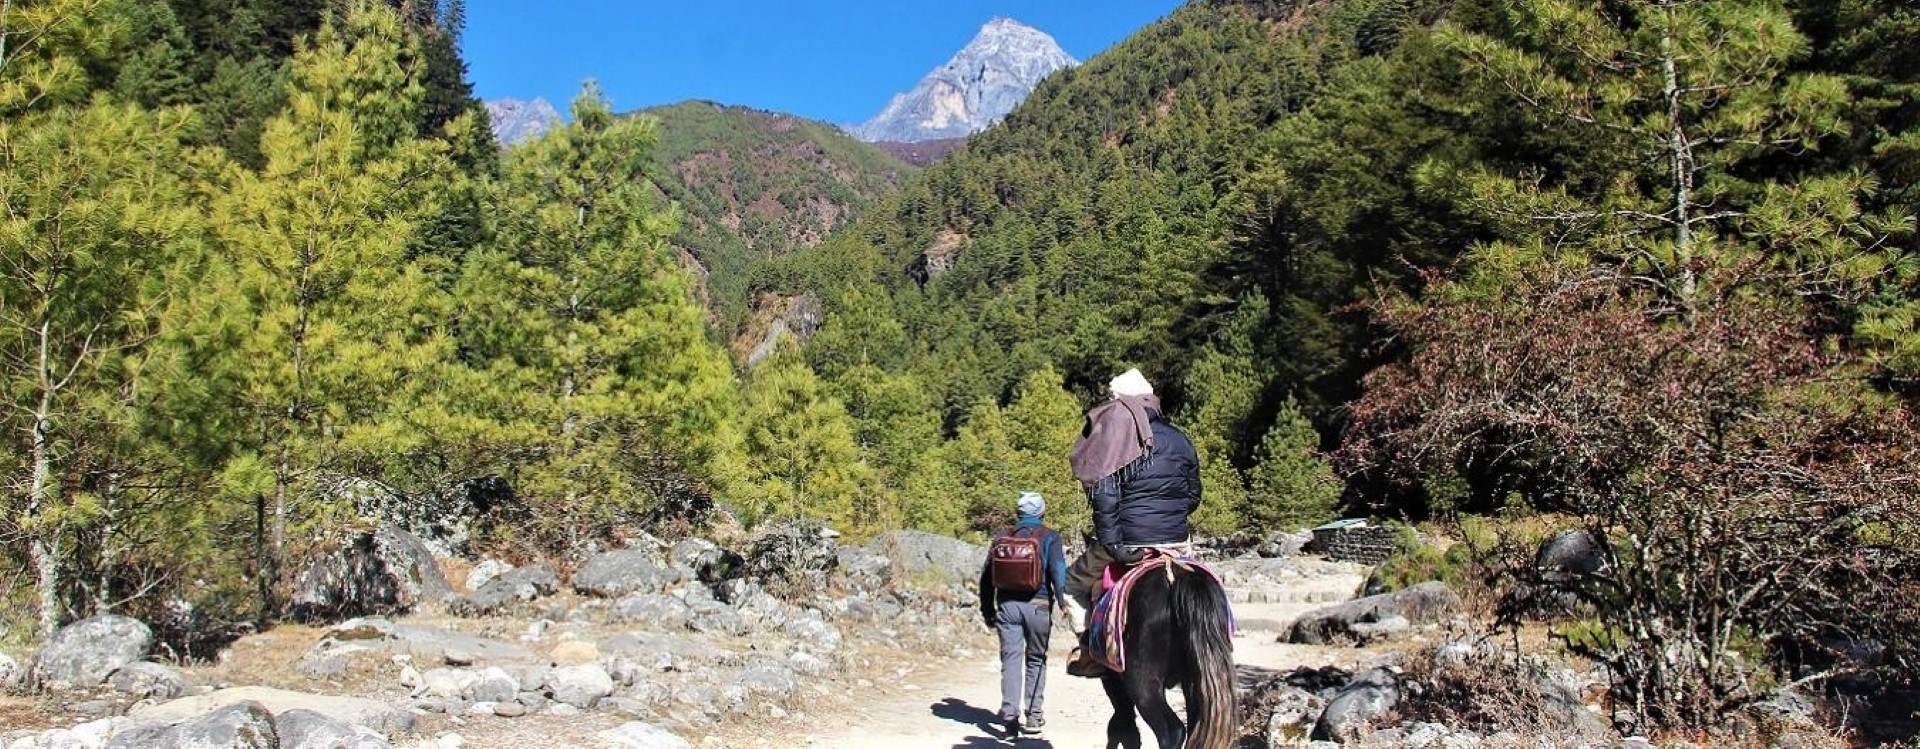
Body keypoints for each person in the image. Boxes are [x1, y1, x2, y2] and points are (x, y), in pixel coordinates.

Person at [1062, 368, 1201, 675]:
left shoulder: (1115, 440)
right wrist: (1167, 518)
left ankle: (1089, 650)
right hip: (1177, 542)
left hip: (1129, 542)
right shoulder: (1181, 439)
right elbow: (1193, 497)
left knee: (1071, 584)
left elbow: (1106, 498)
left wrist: (1114, 544)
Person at [977, 490, 1069, 736]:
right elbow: (1058, 572)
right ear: (1042, 512)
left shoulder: (1002, 536)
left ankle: (1010, 718)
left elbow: (986, 577)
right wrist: (1063, 603)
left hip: (1007, 606)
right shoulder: (1050, 537)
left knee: (1011, 660)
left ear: (1017, 512)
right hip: (1038, 606)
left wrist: (988, 610)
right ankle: (1034, 717)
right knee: (1036, 659)